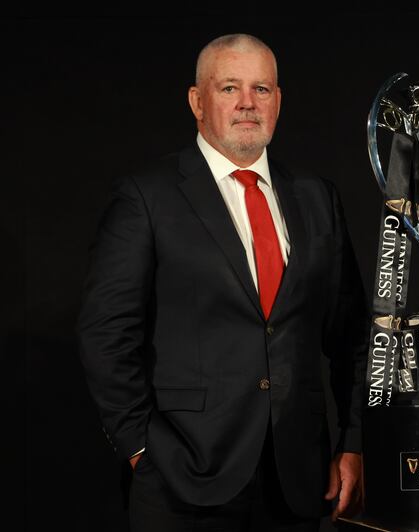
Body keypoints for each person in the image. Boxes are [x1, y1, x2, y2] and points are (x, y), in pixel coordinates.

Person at [77, 33, 369, 531]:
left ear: (278, 100)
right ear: (197, 100)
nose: (247, 104)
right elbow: (105, 334)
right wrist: (139, 449)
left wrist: (354, 442)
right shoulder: (147, 197)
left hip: (298, 481)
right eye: (230, 87)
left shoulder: (318, 198)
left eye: (262, 89)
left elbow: (353, 336)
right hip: (181, 477)